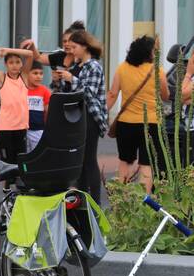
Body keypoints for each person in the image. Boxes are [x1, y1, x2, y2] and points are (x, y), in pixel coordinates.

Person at [106, 35, 170, 192]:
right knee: (146, 165)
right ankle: (145, 203)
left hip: (126, 123)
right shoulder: (158, 71)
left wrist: (102, 113)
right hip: (151, 124)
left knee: (125, 161)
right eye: (153, 51)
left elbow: (113, 95)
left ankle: (121, 199)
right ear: (147, 53)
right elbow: (165, 96)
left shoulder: (122, 68)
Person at [52, 29, 108, 202]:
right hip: (78, 117)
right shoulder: (78, 67)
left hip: (91, 117)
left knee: (89, 159)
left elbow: (89, 93)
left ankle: (95, 201)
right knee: (80, 160)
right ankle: (84, 199)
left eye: (75, 46)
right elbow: (68, 93)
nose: (72, 50)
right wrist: (59, 81)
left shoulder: (94, 66)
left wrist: (71, 79)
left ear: (85, 46)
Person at [0, 47, 34, 164]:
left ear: (22, 64)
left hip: (21, 127)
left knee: (21, 160)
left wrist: (8, 51)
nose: (14, 65)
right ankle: (8, 182)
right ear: (6, 64)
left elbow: (30, 54)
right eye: (11, 62)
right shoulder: (1, 76)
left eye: (17, 62)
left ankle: (20, 182)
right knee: (7, 161)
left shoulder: (24, 76)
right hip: (6, 127)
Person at [26, 61, 52, 152]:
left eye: (41, 74)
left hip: (38, 130)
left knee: (36, 155)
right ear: (27, 74)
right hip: (22, 130)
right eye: (35, 73)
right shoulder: (22, 89)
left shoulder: (45, 91)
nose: (39, 76)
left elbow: (48, 112)